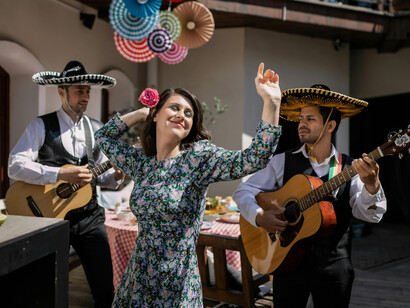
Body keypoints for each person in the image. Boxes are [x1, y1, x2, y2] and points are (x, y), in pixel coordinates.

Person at [94, 63, 282, 307]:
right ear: (157, 114)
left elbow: (254, 158)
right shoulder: (142, 163)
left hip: (178, 284)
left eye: (188, 113)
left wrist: (272, 103)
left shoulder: (198, 158)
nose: (181, 115)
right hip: (138, 281)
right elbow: (103, 137)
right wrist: (143, 112)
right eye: (174, 107)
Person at [233, 84, 387, 308]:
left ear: (330, 125)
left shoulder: (349, 167)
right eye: (301, 118)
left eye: (311, 119)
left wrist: (372, 185)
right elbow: (243, 191)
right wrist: (259, 216)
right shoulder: (280, 161)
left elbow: (370, 216)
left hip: (334, 266)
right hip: (288, 263)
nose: (302, 124)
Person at [8, 60, 125, 308]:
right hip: (49, 217)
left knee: (105, 287)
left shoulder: (97, 129)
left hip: (90, 218)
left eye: (88, 91)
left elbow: (104, 179)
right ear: (62, 91)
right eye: (79, 90)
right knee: (46, 287)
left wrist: (118, 173)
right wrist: (59, 175)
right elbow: (15, 165)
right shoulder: (40, 125)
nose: (85, 96)